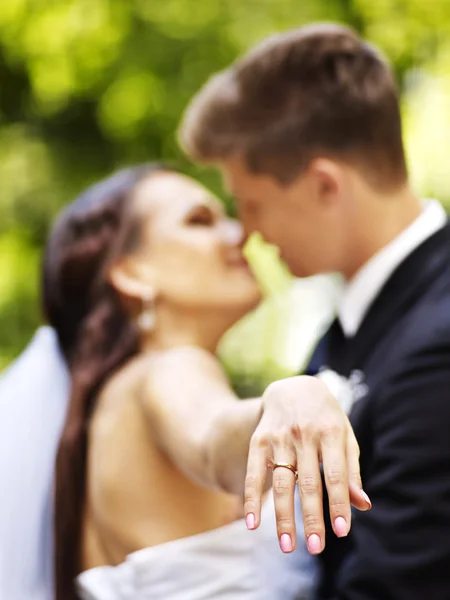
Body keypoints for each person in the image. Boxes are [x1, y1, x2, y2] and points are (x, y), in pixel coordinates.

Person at [179, 22, 450, 600]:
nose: (246, 234)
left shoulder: (440, 337)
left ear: (326, 186)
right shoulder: (339, 333)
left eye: (252, 204)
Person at [39, 164, 367, 600]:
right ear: (132, 275)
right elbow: (212, 438)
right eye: (199, 221)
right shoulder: (168, 369)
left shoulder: (112, 402)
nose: (239, 233)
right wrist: (286, 399)